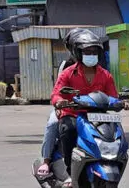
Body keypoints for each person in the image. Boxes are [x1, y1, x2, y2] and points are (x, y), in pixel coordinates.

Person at [51, 30, 127, 172]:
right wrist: (60, 101)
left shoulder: (105, 75)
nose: (91, 55)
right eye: (87, 52)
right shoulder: (68, 73)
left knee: (115, 133)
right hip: (73, 114)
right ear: (78, 53)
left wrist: (121, 103)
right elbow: (56, 94)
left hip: (98, 115)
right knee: (69, 130)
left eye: (94, 52)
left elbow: (113, 96)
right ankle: (69, 168)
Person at [37, 29, 87, 178]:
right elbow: (58, 90)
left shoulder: (97, 66)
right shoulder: (65, 66)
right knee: (53, 124)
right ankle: (46, 160)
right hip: (67, 107)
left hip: (90, 107)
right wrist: (59, 106)